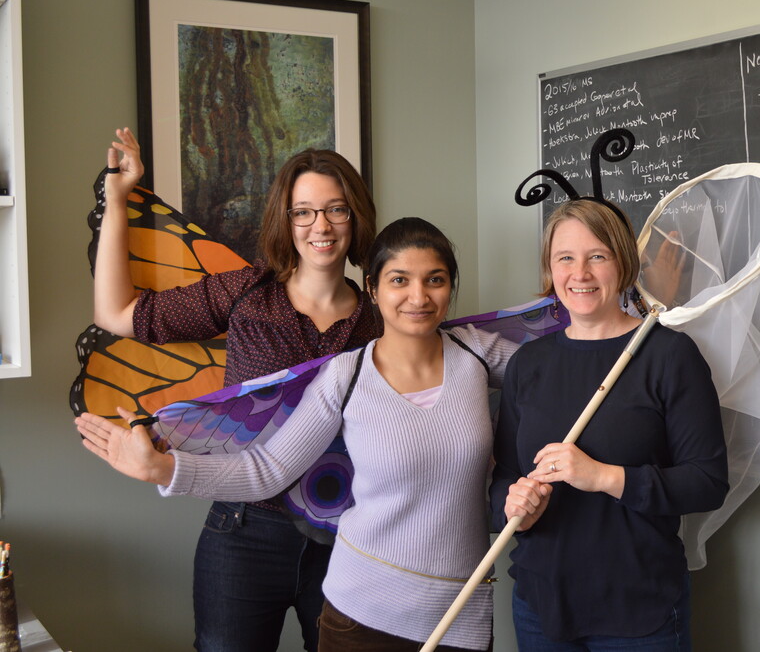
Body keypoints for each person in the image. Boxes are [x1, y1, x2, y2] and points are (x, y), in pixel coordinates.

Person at [78, 216, 518, 651]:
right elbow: (268, 469)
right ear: (373, 288)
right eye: (399, 279)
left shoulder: (477, 353)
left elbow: (568, 375)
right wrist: (162, 469)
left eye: (435, 280)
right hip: (359, 614)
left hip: (460, 612)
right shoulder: (344, 375)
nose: (418, 296)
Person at [93, 128, 381, 651]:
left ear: (356, 217)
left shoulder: (381, 321)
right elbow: (116, 315)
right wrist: (117, 201)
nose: (320, 225)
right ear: (286, 220)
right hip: (243, 534)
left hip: (348, 537)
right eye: (303, 211)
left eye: (336, 209)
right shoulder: (246, 292)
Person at [489, 198, 730, 651]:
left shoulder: (669, 357)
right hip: (542, 603)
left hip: (640, 606)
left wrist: (601, 477)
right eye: (565, 258)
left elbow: (708, 482)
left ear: (623, 263)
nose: (579, 273)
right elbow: (505, 475)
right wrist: (511, 504)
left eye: (597, 256)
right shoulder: (528, 363)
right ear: (550, 267)